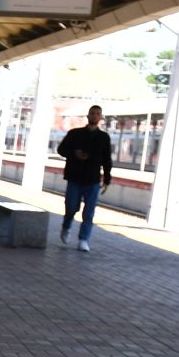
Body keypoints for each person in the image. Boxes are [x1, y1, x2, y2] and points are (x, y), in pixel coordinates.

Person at [58, 104, 113, 251]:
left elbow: (107, 160)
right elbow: (61, 149)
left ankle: (83, 239)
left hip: (93, 180)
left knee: (88, 212)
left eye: (97, 114)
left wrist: (107, 180)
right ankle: (66, 226)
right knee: (71, 208)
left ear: (100, 117)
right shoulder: (74, 134)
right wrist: (74, 154)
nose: (95, 116)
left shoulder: (104, 138)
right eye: (92, 113)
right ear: (88, 116)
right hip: (74, 177)